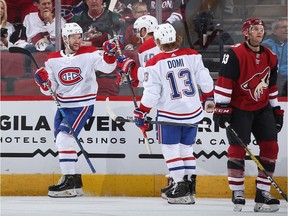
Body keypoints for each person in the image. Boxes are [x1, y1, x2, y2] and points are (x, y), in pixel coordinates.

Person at [117, 23, 215, 204]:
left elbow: (152, 94)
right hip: (193, 113)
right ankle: (188, 184)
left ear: (157, 41)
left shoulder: (155, 62)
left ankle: (179, 185)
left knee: (170, 149)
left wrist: (142, 111)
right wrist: (209, 97)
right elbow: (205, 80)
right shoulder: (192, 55)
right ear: (177, 38)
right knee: (186, 149)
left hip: (170, 114)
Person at [34, 22, 117, 197]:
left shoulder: (89, 54)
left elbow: (108, 67)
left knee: (64, 137)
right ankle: (76, 181)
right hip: (64, 105)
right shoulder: (53, 59)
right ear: (65, 38)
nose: (78, 40)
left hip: (82, 105)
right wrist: (43, 82)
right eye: (73, 37)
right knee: (62, 140)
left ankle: (69, 179)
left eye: (79, 37)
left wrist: (109, 54)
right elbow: (50, 89)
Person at [213, 18, 284, 212]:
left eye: (262, 29)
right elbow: (224, 81)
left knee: (271, 148)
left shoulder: (270, 56)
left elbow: (271, 85)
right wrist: (222, 108)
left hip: (262, 109)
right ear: (246, 33)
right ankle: (237, 191)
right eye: (255, 29)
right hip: (239, 109)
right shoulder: (234, 54)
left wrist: (276, 109)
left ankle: (263, 193)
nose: (260, 32)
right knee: (237, 149)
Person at [262, 17, 287, 97]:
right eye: (283, 27)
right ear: (274, 31)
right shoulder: (266, 45)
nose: (287, 29)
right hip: (274, 80)